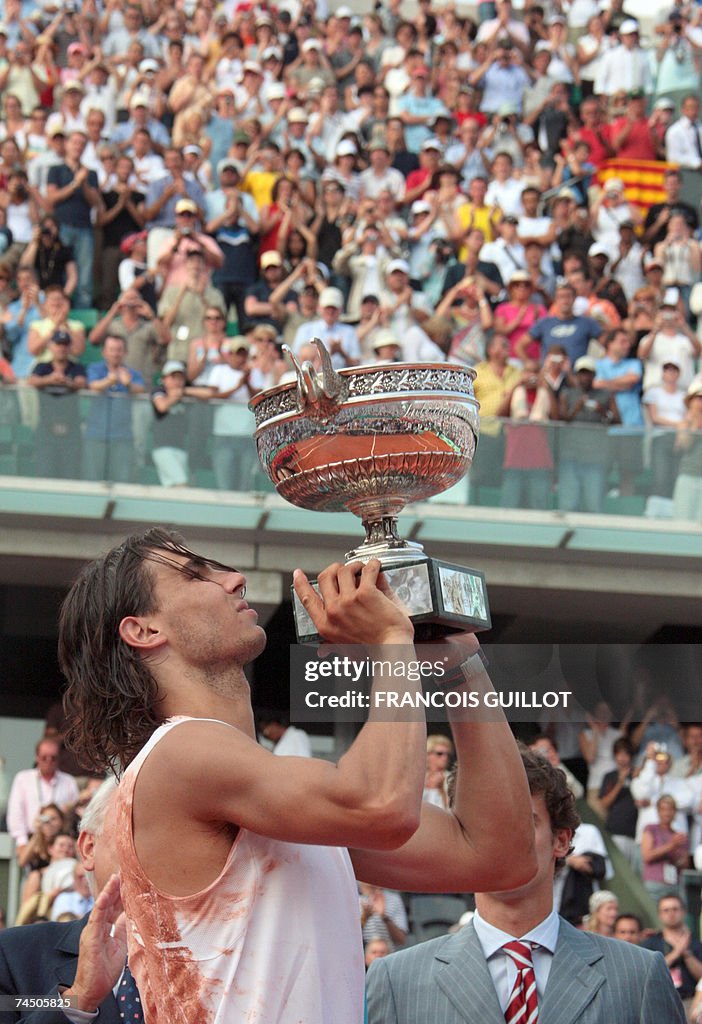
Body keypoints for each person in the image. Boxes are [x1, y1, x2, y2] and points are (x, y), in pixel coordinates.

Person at [58, 527, 536, 1024]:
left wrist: (462, 665)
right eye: (197, 575)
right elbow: (382, 806)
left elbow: (498, 856)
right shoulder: (179, 752)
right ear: (144, 630)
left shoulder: (271, 789)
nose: (236, 580)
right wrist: (392, 641)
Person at [367, 747, 686, 1024]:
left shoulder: (639, 975)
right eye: (480, 821)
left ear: (560, 840)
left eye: (519, 820)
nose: (498, 836)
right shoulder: (397, 980)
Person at [0, 778, 133, 1022]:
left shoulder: (219, 961)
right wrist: (77, 999)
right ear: (89, 848)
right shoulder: (13, 956)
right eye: (135, 834)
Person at [6, 738, 79, 864]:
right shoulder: (23, 779)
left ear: (59, 758)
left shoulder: (69, 781)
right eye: (44, 757)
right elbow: (16, 814)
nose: (49, 761)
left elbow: (75, 816)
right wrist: (22, 841)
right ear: (37, 757)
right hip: (33, 839)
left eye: (53, 757)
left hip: (60, 841)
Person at [641, 893, 702, 1013]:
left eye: (675, 909)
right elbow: (645, 974)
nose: (671, 914)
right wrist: (676, 953)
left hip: (689, 1002)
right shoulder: (650, 943)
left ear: (684, 912)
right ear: (659, 914)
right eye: (666, 910)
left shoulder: (695, 943)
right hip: (658, 1004)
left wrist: (686, 953)